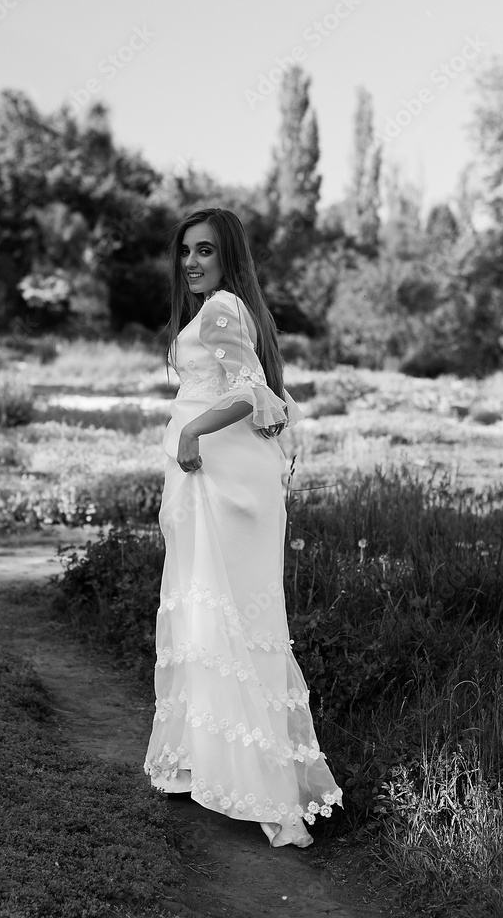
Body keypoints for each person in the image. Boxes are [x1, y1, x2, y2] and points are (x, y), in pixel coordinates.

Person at [143, 207, 342, 848]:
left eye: (205, 251)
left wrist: (194, 431)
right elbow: (259, 395)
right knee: (206, 613)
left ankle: (260, 781)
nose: (192, 262)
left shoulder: (224, 306)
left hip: (219, 477)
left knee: (226, 612)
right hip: (207, 477)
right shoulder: (215, 309)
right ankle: (206, 761)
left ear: (229, 255)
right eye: (185, 252)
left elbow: (253, 391)